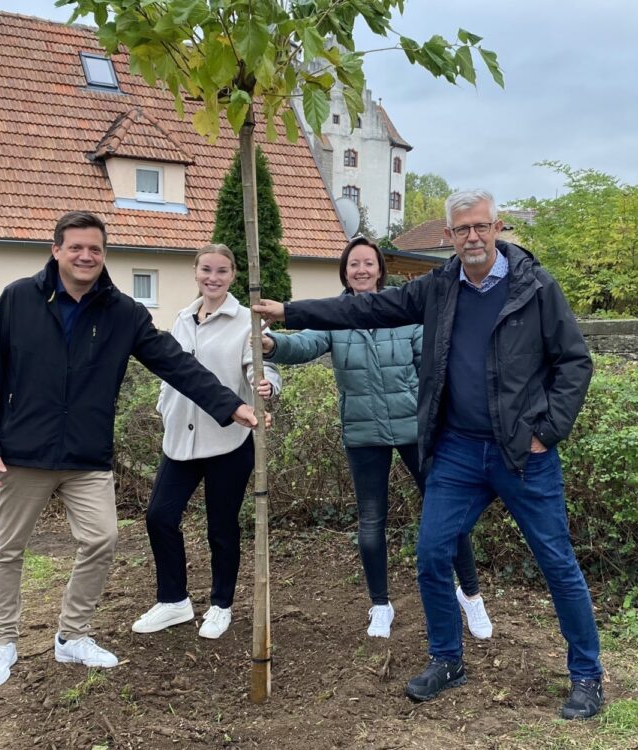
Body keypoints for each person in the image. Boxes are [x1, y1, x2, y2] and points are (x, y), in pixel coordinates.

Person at [253, 190, 604, 719]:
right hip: (459, 450)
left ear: (498, 227)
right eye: (461, 229)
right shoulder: (439, 288)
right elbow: (368, 307)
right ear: (449, 237)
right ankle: (447, 659)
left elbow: (574, 362)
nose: (472, 237)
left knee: (556, 561)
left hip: (520, 452)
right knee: (433, 554)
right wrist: (291, 311)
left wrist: (546, 431)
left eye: (480, 226)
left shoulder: (535, 287)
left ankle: (587, 676)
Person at [0, 212, 258, 690]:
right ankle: (2, 642)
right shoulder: (20, 298)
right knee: (7, 549)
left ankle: (72, 636)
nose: (86, 256)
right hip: (24, 451)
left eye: (96, 249)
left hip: (86, 455)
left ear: (105, 254)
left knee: (102, 540)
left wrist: (231, 406)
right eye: (76, 247)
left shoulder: (122, 312)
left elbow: (174, 362)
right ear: (56, 249)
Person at [261, 236, 492, 640]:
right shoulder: (334, 317)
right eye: (354, 265)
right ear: (345, 273)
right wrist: (271, 343)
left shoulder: (403, 314)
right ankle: (380, 605)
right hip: (363, 432)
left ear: (380, 270)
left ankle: (470, 595)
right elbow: (303, 344)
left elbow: (431, 370)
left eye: (368, 263)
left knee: (447, 515)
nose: (361, 270)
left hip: (414, 431)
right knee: (371, 521)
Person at [131, 244, 280, 640]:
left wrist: (264, 388)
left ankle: (221, 605)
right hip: (180, 437)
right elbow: (171, 371)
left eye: (222, 271)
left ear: (232, 276)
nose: (213, 278)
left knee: (221, 527)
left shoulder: (248, 321)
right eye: (206, 270)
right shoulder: (182, 318)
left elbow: (261, 368)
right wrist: (165, 408)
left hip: (228, 439)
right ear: (195, 272)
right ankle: (173, 600)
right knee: (160, 517)